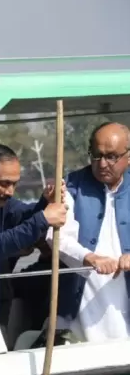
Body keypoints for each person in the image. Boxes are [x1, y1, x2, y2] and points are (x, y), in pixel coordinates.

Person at [48, 122, 130, 343]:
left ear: (128, 156)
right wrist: (89, 257)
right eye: (96, 155)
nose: (102, 163)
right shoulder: (71, 186)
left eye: (111, 156)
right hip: (83, 298)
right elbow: (57, 237)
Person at [0, 143, 67, 313]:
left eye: (14, 184)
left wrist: (45, 202)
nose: (10, 191)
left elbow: (24, 215)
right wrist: (43, 218)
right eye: (4, 183)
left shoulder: (0, 202)